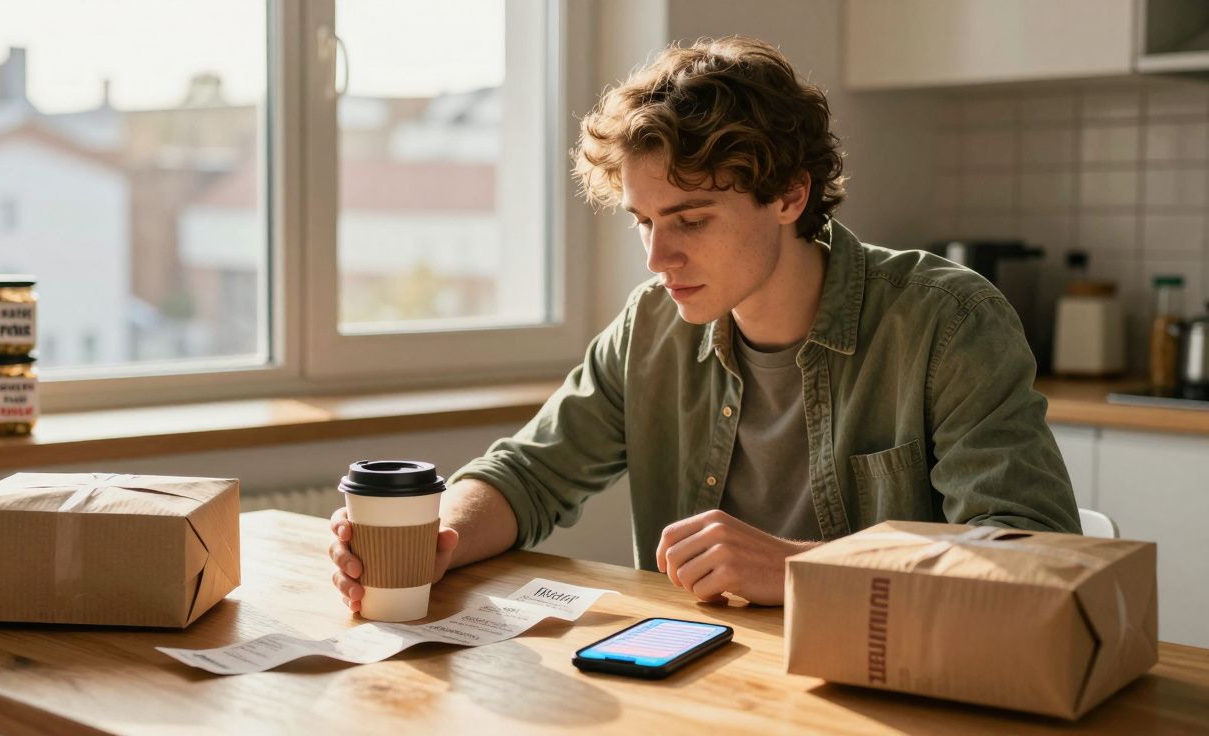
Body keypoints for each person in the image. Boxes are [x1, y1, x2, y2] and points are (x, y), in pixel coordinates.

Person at [329, 35, 1081, 611]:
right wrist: (442, 538)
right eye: (643, 221)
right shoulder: (652, 327)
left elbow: (1034, 556)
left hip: (892, 683)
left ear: (790, 194)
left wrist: (797, 569)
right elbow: (528, 473)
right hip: (710, 685)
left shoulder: (946, 322)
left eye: (689, 219)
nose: (658, 256)